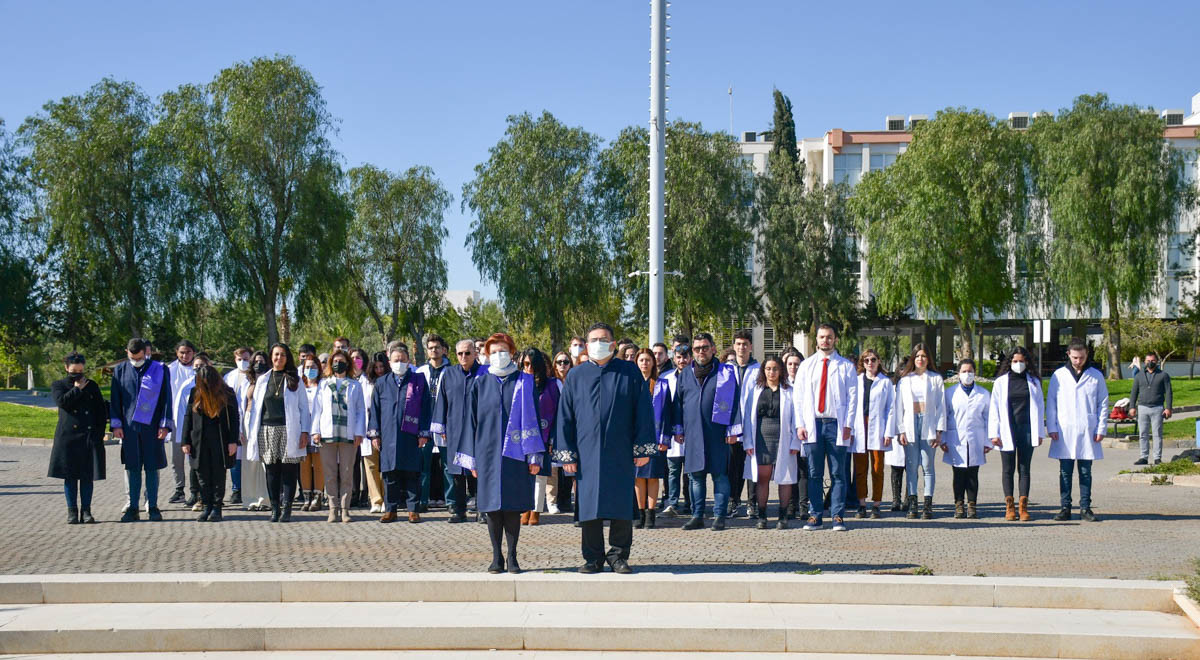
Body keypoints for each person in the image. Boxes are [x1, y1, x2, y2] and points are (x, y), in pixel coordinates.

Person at [556, 323, 657, 573]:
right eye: (593, 339)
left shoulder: (629, 373)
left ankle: (619, 556)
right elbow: (565, 416)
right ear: (586, 344)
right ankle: (593, 558)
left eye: (603, 339)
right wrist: (567, 453)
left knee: (621, 502)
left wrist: (642, 449)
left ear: (613, 344)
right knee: (589, 504)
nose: (597, 344)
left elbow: (643, 411)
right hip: (586, 452)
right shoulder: (576, 376)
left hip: (620, 450)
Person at [456, 333, 543, 573]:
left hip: (516, 454)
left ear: (512, 352)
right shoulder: (480, 383)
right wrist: (470, 457)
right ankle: (496, 556)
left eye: (502, 350)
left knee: (513, 506)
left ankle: (513, 556)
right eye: (493, 352)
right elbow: (470, 422)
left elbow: (535, 418)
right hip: (487, 453)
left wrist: (534, 455)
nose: (498, 355)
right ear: (486, 354)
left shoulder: (524, 382)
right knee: (492, 506)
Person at [675, 332, 742, 531]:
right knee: (695, 476)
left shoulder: (726, 372)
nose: (701, 352)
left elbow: (736, 402)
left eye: (705, 347)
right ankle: (697, 515)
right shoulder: (685, 373)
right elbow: (678, 403)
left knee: (720, 475)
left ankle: (719, 516)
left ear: (713, 348)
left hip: (717, 433)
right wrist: (678, 428)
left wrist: (733, 430)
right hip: (693, 433)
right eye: (697, 349)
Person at [794, 325, 857, 531]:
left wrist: (848, 425)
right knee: (814, 473)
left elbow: (853, 398)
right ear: (817, 340)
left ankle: (837, 516)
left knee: (839, 473)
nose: (825, 341)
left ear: (835, 339)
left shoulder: (846, 366)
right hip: (814, 424)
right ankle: (815, 516)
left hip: (836, 425)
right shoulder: (807, 365)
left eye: (829, 337)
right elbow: (799, 398)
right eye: (822, 337)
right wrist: (800, 424)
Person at [244, 343, 311, 522]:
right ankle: (274, 508)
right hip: (267, 429)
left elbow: (304, 408)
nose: (278, 358)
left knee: (289, 471)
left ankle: (287, 508)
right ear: (271, 357)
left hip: (289, 430)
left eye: (282, 355)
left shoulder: (295, 380)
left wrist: (305, 431)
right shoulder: (263, 380)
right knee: (271, 471)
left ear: (287, 358)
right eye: (275, 355)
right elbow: (257, 407)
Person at [368, 342, 432, 523]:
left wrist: (423, 433)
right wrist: (375, 434)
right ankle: (391, 509)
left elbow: (426, 407)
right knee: (390, 475)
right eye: (396, 360)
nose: (399, 363)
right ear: (390, 361)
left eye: (402, 360)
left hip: (411, 434)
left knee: (412, 473)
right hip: (388, 435)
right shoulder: (381, 382)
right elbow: (375, 410)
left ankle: (413, 509)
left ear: (408, 361)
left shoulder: (418, 380)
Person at [110, 337, 173, 522]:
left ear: (146, 353)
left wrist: (165, 425)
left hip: (153, 428)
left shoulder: (159, 369)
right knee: (132, 467)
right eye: (132, 357)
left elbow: (166, 398)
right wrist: (116, 425)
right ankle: (133, 507)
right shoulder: (120, 370)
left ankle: (152, 506)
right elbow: (115, 400)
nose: (136, 361)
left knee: (152, 468)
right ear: (127, 352)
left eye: (139, 357)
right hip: (129, 429)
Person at [1046, 339, 1108, 522]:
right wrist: (1052, 427)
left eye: (1081, 357)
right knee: (1065, 471)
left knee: (1085, 471)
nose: (1078, 361)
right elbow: (1051, 403)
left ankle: (1085, 508)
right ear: (1068, 355)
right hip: (1065, 430)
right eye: (1074, 357)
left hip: (1087, 430)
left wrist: (1101, 427)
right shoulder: (1059, 375)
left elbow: (1102, 403)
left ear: (1087, 354)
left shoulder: (1096, 376)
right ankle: (1065, 507)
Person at [741, 356, 801, 529]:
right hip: (760, 439)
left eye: (775, 368)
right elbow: (747, 418)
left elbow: (797, 418)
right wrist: (748, 442)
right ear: (763, 370)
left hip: (784, 438)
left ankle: (783, 516)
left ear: (780, 370)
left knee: (785, 479)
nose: (771, 372)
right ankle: (762, 516)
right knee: (762, 478)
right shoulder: (756, 390)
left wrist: (796, 443)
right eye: (768, 369)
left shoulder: (790, 391)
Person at [433, 339, 489, 523]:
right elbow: (442, 400)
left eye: (467, 353)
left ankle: (482, 510)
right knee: (456, 472)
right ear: (455, 355)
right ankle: (459, 510)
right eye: (460, 353)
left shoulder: (485, 374)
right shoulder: (449, 374)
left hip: (478, 430)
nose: (464, 357)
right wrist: (440, 426)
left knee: (478, 470)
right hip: (455, 429)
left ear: (475, 353)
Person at [988, 346, 1045, 521]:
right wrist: (994, 433)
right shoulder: (1001, 382)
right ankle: (1009, 507)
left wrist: (1040, 432)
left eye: (1021, 361)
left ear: (1026, 362)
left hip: (1027, 429)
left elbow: (1040, 406)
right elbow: (994, 409)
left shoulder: (1034, 381)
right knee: (1008, 469)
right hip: (1007, 430)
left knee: (1024, 469)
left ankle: (1023, 507)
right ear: (1009, 362)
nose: (1018, 364)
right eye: (1015, 361)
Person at [49, 352, 107, 524]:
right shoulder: (58, 385)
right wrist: (76, 389)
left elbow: (100, 412)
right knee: (70, 476)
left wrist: (99, 432)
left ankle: (87, 511)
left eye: (81, 371)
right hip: (68, 438)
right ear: (66, 368)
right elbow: (63, 403)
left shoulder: (92, 386)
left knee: (87, 476)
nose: (78, 374)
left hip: (89, 437)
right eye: (74, 371)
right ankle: (72, 511)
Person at [890, 343, 946, 520]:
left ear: (928, 359)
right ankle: (913, 504)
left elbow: (941, 406)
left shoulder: (935, 379)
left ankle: (927, 505)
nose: (920, 359)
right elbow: (898, 407)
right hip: (910, 423)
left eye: (923, 356)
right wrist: (900, 430)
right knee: (912, 467)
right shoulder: (906, 380)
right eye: (917, 356)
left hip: (928, 422)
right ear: (913, 359)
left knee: (928, 466)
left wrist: (939, 430)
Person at [310, 349, 366, 523]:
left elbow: (360, 411)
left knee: (347, 473)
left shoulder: (355, 385)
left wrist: (359, 432)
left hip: (348, 435)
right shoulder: (324, 384)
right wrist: (315, 430)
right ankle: (333, 508)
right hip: (328, 434)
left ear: (347, 364)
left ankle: (345, 509)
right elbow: (317, 409)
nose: (337, 364)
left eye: (341, 361)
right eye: (335, 361)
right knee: (330, 473)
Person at [179, 365, 240, 522]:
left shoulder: (227, 393)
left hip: (220, 440)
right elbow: (188, 418)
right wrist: (185, 440)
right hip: (199, 440)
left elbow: (234, 419)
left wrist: (233, 441)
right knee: (202, 475)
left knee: (218, 475)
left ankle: (217, 508)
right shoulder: (195, 392)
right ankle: (206, 506)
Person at [941, 359, 991, 519]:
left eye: (970, 371)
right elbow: (944, 416)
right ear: (958, 374)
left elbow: (989, 418)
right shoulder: (950, 393)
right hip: (955, 439)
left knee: (973, 474)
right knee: (958, 474)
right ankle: (959, 505)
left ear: (975, 372)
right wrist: (942, 439)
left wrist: (988, 441)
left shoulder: (983, 394)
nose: (967, 374)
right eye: (964, 371)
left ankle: (972, 506)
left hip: (977, 438)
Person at [632, 348, 673, 529]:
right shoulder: (631, 383)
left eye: (648, 360)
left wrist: (665, 439)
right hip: (635, 438)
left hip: (656, 437)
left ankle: (651, 514)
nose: (645, 363)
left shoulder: (662, 385)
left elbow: (669, 413)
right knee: (638, 477)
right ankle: (640, 513)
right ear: (636, 362)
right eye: (641, 360)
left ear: (653, 363)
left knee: (653, 477)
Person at [850, 349, 894, 519]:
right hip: (860, 426)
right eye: (866, 360)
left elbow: (891, 408)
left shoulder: (885, 382)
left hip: (878, 428)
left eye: (873, 359)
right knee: (860, 469)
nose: (870, 363)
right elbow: (851, 406)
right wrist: (851, 429)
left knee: (877, 468)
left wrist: (889, 431)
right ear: (863, 362)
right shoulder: (856, 381)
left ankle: (876, 504)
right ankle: (861, 504)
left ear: (879, 361)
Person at [518, 347, 559, 526]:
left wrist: (553, 439)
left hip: (544, 435)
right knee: (523, 475)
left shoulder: (552, 385)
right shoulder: (518, 383)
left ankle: (535, 510)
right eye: (525, 364)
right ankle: (524, 509)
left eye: (532, 364)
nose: (529, 368)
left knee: (539, 475)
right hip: (521, 438)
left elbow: (559, 414)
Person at [172, 352, 213, 513]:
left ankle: (211, 496)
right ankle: (194, 494)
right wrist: (185, 439)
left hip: (211, 433)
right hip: (193, 434)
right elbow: (183, 415)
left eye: (201, 366)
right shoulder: (188, 386)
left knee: (210, 467)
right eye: (196, 366)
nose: (198, 369)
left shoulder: (217, 385)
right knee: (194, 466)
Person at [417, 334, 451, 513]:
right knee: (424, 466)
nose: (434, 350)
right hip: (425, 425)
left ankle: (451, 502)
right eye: (430, 348)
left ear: (443, 350)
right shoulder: (420, 372)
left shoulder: (451, 371)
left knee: (447, 466)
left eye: (437, 347)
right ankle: (422, 501)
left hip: (444, 425)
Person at [727, 329, 759, 518]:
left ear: (751, 347)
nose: (741, 347)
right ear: (734, 346)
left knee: (752, 465)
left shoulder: (759, 369)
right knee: (734, 466)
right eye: (738, 344)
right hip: (732, 426)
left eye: (745, 344)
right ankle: (733, 501)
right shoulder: (726, 369)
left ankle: (752, 502)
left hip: (753, 426)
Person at [239, 351, 272, 511]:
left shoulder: (270, 381)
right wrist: (239, 429)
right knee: (249, 462)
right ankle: (250, 499)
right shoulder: (247, 382)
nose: (259, 364)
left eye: (262, 361)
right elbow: (240, 406)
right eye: (256, 361)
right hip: (247, 421)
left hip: (264, 422)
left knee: (264, 463)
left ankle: (265, 499)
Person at [662, 345, 692, 517]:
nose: (682, 361)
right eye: (679, 357)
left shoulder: (696, 377)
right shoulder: (666, 378)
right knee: (673, 470)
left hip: (691, 431)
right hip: (671, 432)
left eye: (685, 357)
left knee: (690, 471)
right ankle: (672, 502)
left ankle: (690, 502)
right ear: (674, 359)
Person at [167, 340, 198, 506]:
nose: (185, 356)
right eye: (182, 353)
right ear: (177, 353)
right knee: (177, 458)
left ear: (193, 353)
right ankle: (179, 489)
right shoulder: (170, 370)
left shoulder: (199, 369)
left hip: (196, 420)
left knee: (195, 457)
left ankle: (196, 490)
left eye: (188, 352)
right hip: (177, 421)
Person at [1130, 351, 1173, 466]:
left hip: (1157, 408)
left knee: (1157, 434)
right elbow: (1134, 392)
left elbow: (1168, 392)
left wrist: (1168, 408)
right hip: (1142, 408)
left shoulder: (1164, 375)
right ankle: (1143, 457)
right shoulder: (1139, 376)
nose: (1150, 363)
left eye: (1153, 361)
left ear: (1157, 361)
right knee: (1143, 434)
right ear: (1144, 362)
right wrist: (1132, 407)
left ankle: (1157, 458)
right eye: (1148, 361)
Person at [359, 353, 389, 514]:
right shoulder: (365, 382)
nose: (379, 370)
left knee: (385, 465)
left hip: (386, 427)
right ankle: (376, 500)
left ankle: (386, 498)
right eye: (376, 367)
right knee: (371, 465)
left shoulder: (390, 381)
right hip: (368, 427)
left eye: (382, 367)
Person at [223, 346, 254, 505]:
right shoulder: (229, 377)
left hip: (251, 421)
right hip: (233, 422)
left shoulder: (255, 377)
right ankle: (236, 489)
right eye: (239, 359)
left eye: (246, 359)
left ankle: (251, 488)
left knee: (251, 456)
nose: (243, 362)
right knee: (235, 456)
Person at [547, 350, 575, 515]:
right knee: (554, 468)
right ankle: (552, 501)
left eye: (566, 362)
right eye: (559, 362)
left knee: (569, 466)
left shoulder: (574, 381)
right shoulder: (551, 383)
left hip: (572, 428)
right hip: (554, 428)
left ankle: (566, 500)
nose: (563, 365)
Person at [781, 348, 807, 520]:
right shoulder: (783, 385)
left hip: (805, 433)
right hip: (788, 435)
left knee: (805, 471)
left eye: (797, 364)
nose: (793, 367)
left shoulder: (807, 383)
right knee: (791, 471)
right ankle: (791, 505)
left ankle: (804, 506)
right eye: (790, 364)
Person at [298, 355, 326, 512]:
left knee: (318, 465)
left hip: (318, 432)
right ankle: (306, 496)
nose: (310, 370)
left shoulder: (323, 386)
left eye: (313, 367)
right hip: (302, 431)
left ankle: (318, 497)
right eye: (307, 367)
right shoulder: (298, 386)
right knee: (304, 465)